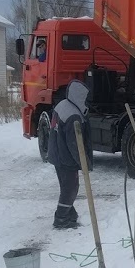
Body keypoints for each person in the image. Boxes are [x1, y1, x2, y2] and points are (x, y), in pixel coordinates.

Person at [46, 79, 92, 229]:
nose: (87, 101)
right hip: (66, 158)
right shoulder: (74, 117)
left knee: (66, 187)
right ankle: (61, 218)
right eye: (85, 98)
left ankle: (71, 215)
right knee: (70, 188)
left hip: (57, 153)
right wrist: (84, 163)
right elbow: (75, 145)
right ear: (79, 97)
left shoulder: (63, 105)